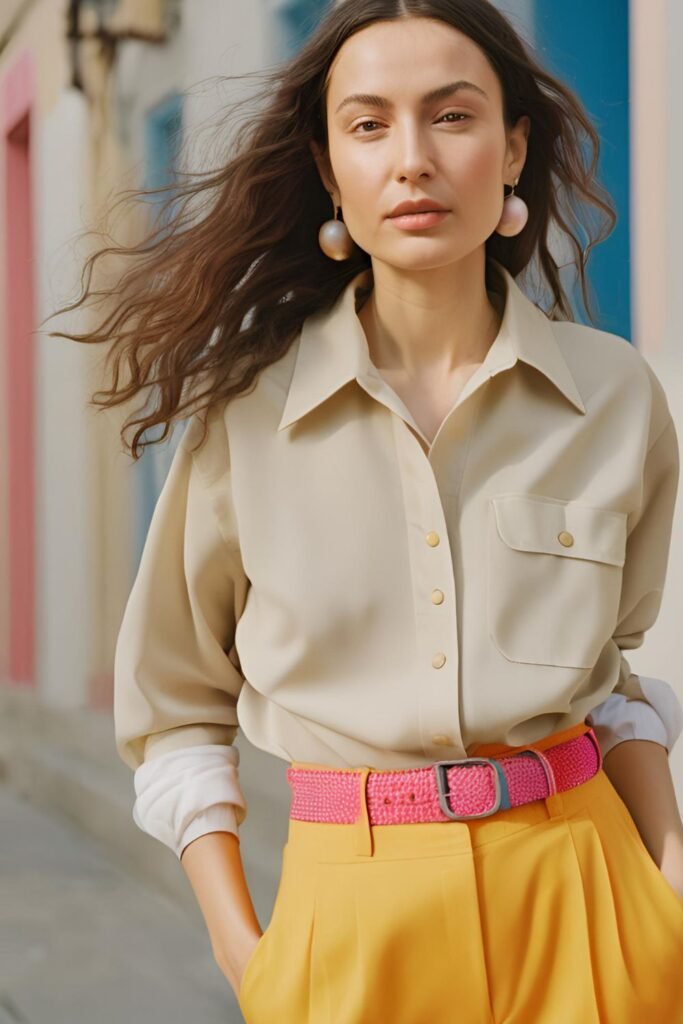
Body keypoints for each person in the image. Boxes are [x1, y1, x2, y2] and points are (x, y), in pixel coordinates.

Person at [51, 1, 683, 1020]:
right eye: (368, 124)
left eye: (452, 115)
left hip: (587, 897)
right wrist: (244, 952)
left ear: (512, 147)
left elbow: (610, 679)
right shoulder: (243, 414)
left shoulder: (613, 394)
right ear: (327, 164)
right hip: (350, 922)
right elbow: (174, 710)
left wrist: (666, 885)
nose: (412, 159)